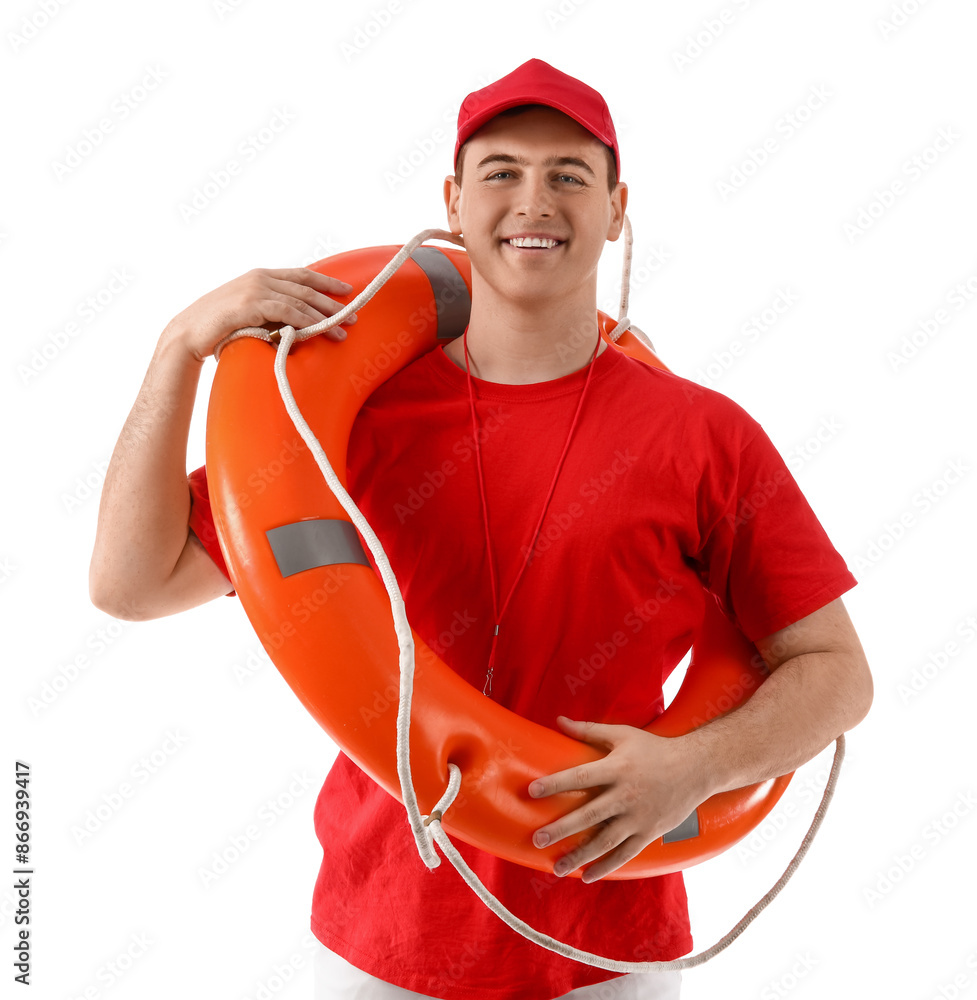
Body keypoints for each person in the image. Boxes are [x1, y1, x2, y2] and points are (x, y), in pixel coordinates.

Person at [90, 59, 873, 1000]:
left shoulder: (706, 435)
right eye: (500, 172)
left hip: (609, 949)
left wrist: (693, 768)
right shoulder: (355, 428)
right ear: (453, 205)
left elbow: (835, 673)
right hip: (380, 940)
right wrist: (176, 347)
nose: (531, 199)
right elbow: (129, 585)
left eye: (567, 175)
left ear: (617, 210)